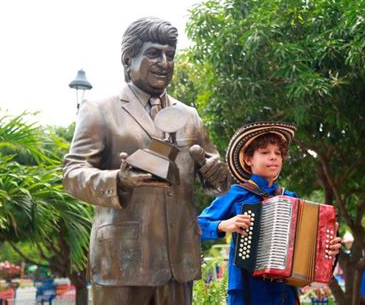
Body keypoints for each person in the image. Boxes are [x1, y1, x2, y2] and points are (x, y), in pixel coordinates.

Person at [63, 17, 228, 305]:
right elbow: (73, 174)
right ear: (128, 59)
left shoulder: (189, 116)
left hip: (179, 261)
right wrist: (117, 180)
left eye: (170, 55)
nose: (165, 62)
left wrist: (217, 173)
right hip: (122, 260)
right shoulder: (99, 110)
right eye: (154, 53)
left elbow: (217, 180)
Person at [198, 122, 342, 305]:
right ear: (248, 160)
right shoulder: (235, 193)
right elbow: (195, 226)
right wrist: (223, 225)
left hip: (285, 293)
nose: (273, 157)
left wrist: (327, 248)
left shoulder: (290, 198)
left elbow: (308, 249)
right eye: (265, 152)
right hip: (247, 291)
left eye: (278, 153)